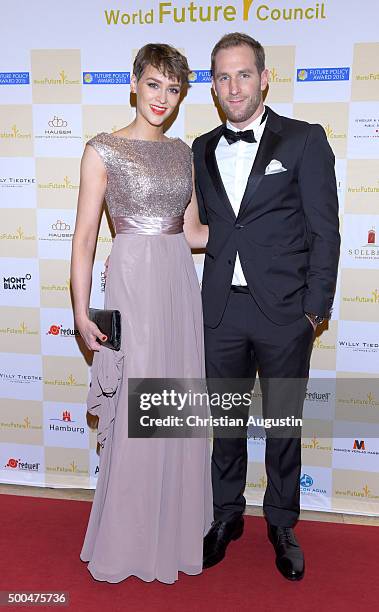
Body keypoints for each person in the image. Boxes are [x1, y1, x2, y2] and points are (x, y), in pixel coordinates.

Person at [192, 33, 340, 581]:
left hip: (285, 314)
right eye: (223, 77)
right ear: (213, 85)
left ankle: (281, 523)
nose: (234, 86)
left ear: (265, 77)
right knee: (224, 425)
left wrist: (313, 311)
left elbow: (326, 230)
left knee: (282, 425)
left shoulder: (304, 140)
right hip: (221, 314)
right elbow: (200, 227)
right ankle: (225, 516)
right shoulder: (200, 149)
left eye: (244, 74)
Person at [70, 43, 213, 584]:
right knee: (139, 408)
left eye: (173, 89)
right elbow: (85, 238)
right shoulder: (102, 149)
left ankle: (170, 534)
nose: (163, 98)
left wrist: (254, 230)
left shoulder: (183, 153)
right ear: (134, 84)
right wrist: (82, 313)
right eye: (154, 84)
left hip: (178, 280)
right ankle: (129, 540)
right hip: (132, 278)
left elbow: (195, 231)